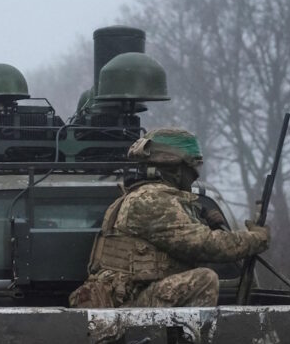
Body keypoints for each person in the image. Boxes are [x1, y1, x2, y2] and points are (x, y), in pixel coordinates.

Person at [70, 127, 271, 308]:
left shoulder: (137, 196)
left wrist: (204, 221)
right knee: (204, 280)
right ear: (175, 168)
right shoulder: (153, 200)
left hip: (128, 302)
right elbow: (206, 245)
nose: (195, 176)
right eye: (192, 167)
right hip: (129, 307)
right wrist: (255, 239)